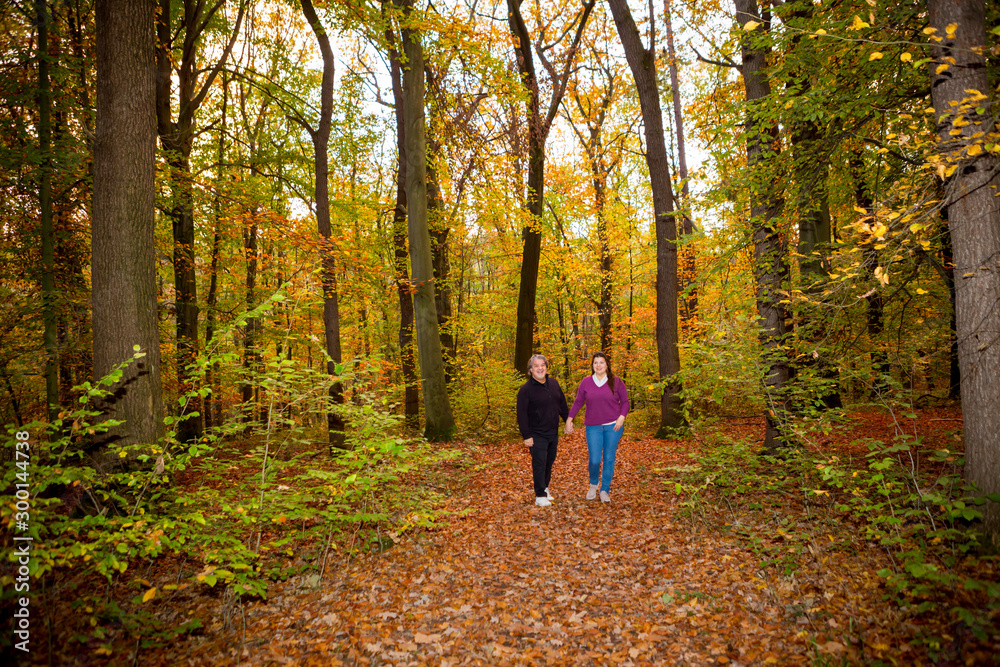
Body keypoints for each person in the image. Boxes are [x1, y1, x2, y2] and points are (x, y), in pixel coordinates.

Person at [565, 352, 629, 503]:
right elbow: (578, 401)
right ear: (592, 365)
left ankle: (605, 489)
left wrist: (622, 417)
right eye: (595, 363)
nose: (598, 365)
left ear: (607, 364)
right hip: (593, 426)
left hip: (613, 425)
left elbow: (625, 402)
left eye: (601, 362)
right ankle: (593, 484)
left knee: (608, 458)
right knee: (594, 459)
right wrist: (569, 419)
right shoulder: (586, 382)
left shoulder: (616, 381)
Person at [516, 354, 569, 507]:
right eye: (536, 366)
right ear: (530, 370)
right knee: (539, 463)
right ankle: (539, 495)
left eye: (542, 365)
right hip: (536, 433)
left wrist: (568, 421)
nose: (540, 368)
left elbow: (562, 404)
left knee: (549, 462)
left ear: (546, 367)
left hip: (552, 431)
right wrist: (526, 435)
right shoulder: (525, 390)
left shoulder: (554, 383)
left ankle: (545, 488)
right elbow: (521, 415)